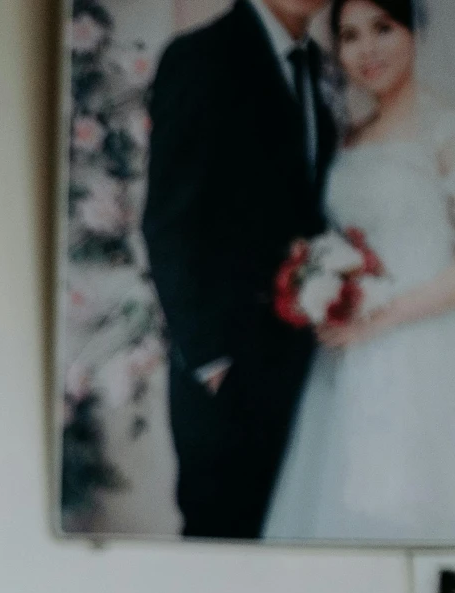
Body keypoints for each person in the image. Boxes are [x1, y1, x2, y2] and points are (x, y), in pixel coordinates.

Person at [264, 0, 455, 543]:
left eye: (383, 29)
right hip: (349, 363)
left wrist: (380, 320)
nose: (367, 50)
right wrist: (324, 286)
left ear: (415, 32)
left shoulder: (452, 127)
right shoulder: (350, 136)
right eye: (350, 35)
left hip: (431, 354)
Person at [142, 0, 340, 539]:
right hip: (227, 376)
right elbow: (169, 221)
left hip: (306, 370)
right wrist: (210, 361)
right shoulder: (201, 56)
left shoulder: (324, 66)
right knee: (222, 550)